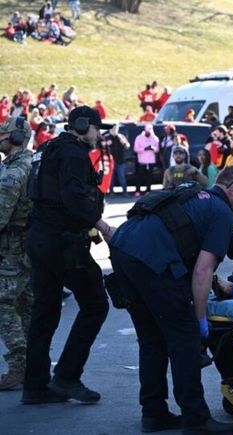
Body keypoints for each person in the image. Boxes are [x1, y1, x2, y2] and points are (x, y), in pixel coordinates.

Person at [108, 166, 233, 434]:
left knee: (152, 339)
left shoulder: (200, 202)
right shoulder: (221, 213)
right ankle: (196, 420)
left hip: (124, 252)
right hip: (153, 262)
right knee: (185, 340)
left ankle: (154, 413)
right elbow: (203, 271)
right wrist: (200, 319)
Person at [23, 106, 115, 404]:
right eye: (96, 128)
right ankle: (66, 376)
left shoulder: (47, 148)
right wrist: (100, 223)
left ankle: (35, 386)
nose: (98, 134)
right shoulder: (73, 154)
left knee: (45, 311)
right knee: (96, 304)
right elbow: (74, 197)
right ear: (81, 125)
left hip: (41, 238)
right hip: (63, 244)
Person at [0, 117, 34, 390]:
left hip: (12, 249)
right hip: (28, 248)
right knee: (26, 305)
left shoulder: (13, 172)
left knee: (3, 305)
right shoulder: (29, 163)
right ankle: (34, 365)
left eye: (4, 134)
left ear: (17, 137)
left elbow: (1, 214)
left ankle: (19, 366)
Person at [133, 124, 159, 196]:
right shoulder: (139, 138)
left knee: (149, 177)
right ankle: (138, 190)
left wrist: (152, 148)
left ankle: (148, 190)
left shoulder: (155, 138)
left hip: (151, 161)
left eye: (150, 132)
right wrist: (144, 149)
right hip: (141, 160)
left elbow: (157, 150)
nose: (148, 133)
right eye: (147, 132)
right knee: (139, 176)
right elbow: (135, 149)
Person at [105, 125, 130, 196]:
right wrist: (106, 144)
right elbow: (101, 147)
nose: (114, 130)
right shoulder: (106, 137)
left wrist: (124, 142)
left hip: (120, 161)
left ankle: (125, 192)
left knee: (122, 177)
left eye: (116, 129)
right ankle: (111, 193)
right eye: (113, 129)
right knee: (111, 178)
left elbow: (128, 146)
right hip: (110, 161)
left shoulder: (121, 136)